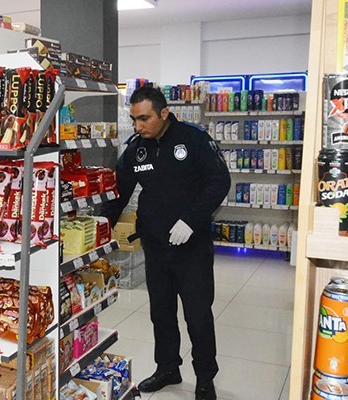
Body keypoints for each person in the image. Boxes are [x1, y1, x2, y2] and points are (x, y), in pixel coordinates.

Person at [102, 86, 230, 400]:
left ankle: (204, 378)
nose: (137, 126)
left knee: (197, 315)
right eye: (133, 119)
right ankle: (167, 368)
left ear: (163, 112)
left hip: (192, 247)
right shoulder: (136, 147)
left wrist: (191, 220)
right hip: (156, 245)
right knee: (161, 312)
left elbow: (219, 182)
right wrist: (100, 226)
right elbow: (119, 190)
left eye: (144, 118)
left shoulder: (194, 139)